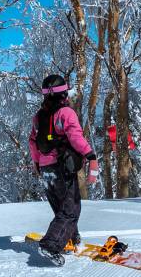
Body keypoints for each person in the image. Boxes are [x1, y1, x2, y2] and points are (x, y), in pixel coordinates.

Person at [29, 74, 99, 266]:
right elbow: (75, 137)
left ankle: (70, 237)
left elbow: (33, 142)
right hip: (61, 168)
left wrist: (37, 163)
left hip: (45, 169)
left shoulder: (38, 116)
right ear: (63, 94)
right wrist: (90, 155)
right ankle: (51, 244)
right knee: (70, 209)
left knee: (62, 207)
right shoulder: (65, 113)